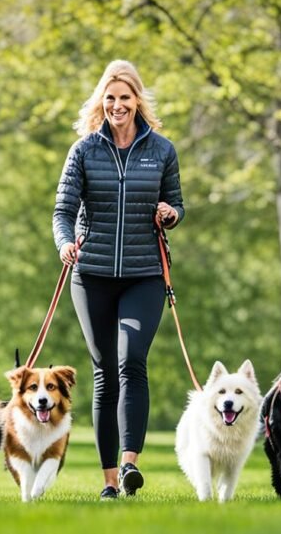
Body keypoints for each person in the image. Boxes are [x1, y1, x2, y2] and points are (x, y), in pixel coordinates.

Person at [53, 60, 184, 500]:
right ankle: (109, 481)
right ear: (101, 102)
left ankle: (130, 465)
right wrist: (65, 243)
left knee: (132, 362)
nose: (117, 105)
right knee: (105, 371)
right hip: (91, 276)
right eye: (110, 98)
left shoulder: (162, 150)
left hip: (144, 275)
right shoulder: (85, 150)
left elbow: (176, 203)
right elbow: (63, 211)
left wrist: (171, 214)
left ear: (137, 101)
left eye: (125, 98)